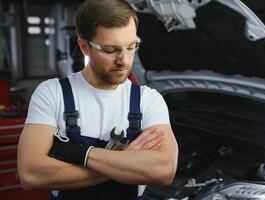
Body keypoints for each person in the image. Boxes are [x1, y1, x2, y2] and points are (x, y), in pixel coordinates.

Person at [17, 0, 178, 199]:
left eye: (131, 47)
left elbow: (164, 171)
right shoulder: (52, 93)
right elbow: (31, 175)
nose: (124, 60)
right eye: (111, 50)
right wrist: (125, 161)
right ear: (84, 46)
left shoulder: (148, 100)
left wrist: (78, 154)